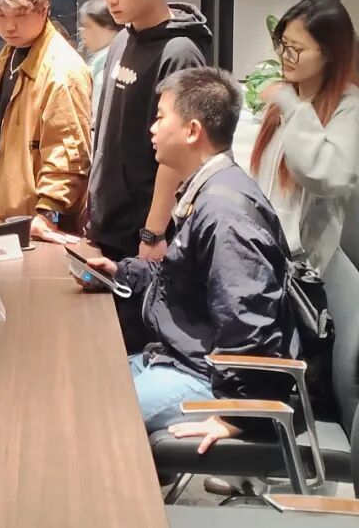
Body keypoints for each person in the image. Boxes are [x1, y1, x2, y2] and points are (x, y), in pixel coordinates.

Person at [77, 68, 297, 449]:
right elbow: (181, 278)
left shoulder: (224, 215)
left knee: (92, 414)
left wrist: (235, 416)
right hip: (183, 356)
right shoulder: (208, 190)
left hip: (207, 379)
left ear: (193, 131)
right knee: (81, 383)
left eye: (161, 118)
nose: (152, 128)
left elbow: (249, 324)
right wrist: (121, 272)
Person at [87, 0, 211, 351]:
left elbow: (178, 153)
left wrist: (154, 233)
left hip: (143, 230)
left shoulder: (180, 52)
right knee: (101, 341)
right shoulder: (123, 39)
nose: (111, 0)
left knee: (133, 347)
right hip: (109, 222)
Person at [250, 0, 359, 274]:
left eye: (297, 49)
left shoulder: (348, 108)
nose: (285, 56)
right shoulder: (289, 97)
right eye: (283, 44)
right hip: (267, 249)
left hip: (306, 267)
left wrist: (291, 106)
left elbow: (327, 175)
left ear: (329, 54)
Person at [0, 0, 92, 238]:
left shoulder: (62, 69)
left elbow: (69, 155)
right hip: (2, 218)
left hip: (35, 227)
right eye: (0, 15)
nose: (9, 26)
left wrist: (49, 214)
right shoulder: (12, 54)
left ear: (43, 9)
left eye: (20, 15)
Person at [78, 0, 123, 118]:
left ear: (109, 27)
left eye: (88, 26)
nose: (82, 31)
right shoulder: (99, 60)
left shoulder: (107, 65)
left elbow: (96, 116)